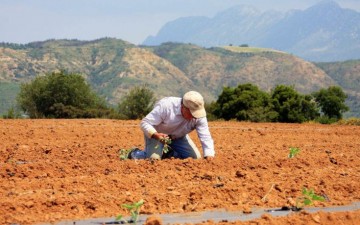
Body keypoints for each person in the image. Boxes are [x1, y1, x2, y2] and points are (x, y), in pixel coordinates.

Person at [139, 91, 215, 160]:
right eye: (192, 113)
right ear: (184, 107)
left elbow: (205, 136)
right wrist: (155, 135)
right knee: (153, 159)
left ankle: (168, 153)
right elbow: (145, 123)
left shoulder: (199, 116)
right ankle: (134, 153)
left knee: (195, 158)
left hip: (178, 137)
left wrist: (209, 155)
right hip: (157, 135)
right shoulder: (166, 106)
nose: (194, 117)